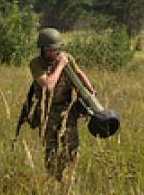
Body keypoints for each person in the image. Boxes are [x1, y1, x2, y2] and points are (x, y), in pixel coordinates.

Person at [28, 28, 95, 181]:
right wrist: (60, 66)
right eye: (50, 50)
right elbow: (47, 85)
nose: (54, 53)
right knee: (51, 149)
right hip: (47, 111)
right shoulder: (36, 64)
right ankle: (52, 178)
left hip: (67, 109)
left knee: (72, 147)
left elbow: (79, 73)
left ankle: (63, 174)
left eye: (56, 49)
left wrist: (91, 92)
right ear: (42, 49)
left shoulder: (66, 57)